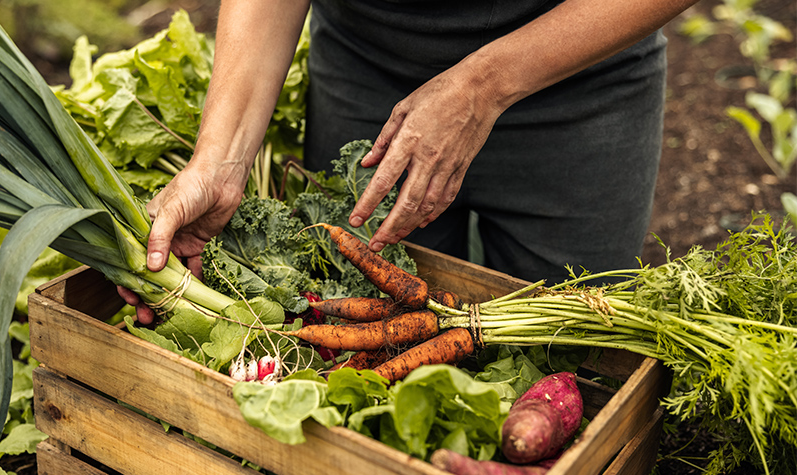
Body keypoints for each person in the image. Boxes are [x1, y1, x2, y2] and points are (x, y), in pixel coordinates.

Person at [119, 0, 700, 324]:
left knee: (572, 354)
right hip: (369, 74)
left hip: (580, 80)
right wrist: (220, 160)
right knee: (358, 326)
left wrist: (483, 85)